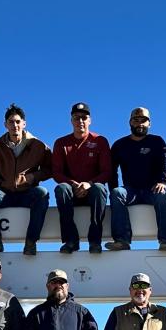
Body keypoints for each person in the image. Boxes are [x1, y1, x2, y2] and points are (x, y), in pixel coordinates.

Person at [0, 103, 52, 257]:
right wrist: (1, 183)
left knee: (42, 193)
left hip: (27, 194)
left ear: (24, 123)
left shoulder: (38, 145)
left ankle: (31, 242)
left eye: (18, 121)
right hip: (4, 194)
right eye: (11, 122)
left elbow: (50, 169)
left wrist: (33, 177)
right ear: (5, 125)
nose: (15, 125)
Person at [108, 106, 166, 251]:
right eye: (136, 120)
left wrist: (163, 181)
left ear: (149, 123)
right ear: (130, 123)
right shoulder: (120, 144)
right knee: (117, 193)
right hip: (131, 190)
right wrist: (113, 188)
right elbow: (111, 170)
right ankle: (122, 240)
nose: (140, 124)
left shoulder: (157, 141)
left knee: (163, 197)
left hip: (153, 189)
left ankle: (165, 241)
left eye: (143, 120)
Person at [52, 102, 111, 254]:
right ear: (71, 120)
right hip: (71, 191)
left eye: (84, 117)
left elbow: (106, 171)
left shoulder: (100, 141)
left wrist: (89, 184)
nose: (80, 121)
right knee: (61, 188)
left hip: (92, 191)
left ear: (90, 120)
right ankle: (71, 241)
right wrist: (73, 184)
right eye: (76, 118)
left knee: (100, 188)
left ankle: (95, 241)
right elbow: (56, 172)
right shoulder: (61, 143)